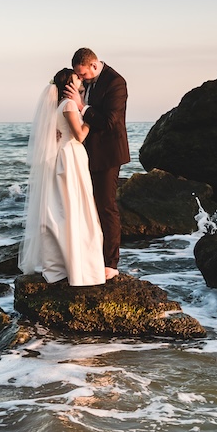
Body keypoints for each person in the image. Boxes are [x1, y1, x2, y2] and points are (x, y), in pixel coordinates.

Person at [19, 68, 106, 286]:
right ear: (69, 84)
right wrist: (89, 117)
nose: (80, 79)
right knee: (75, 207)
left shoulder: (59, 106)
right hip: (71, 156)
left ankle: (60, 264)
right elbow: (80, 134)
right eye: (77, 78)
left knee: (63, 208)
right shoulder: (68, 105)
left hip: (65, 155)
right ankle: (78, 266)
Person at [63, 47, 129, 279]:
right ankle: (90, 256)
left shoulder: (116, 82)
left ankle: (110, 263)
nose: (81, 78)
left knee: (106, 206)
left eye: (84, 74)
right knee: (88, 207)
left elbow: (110, 122)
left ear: (94, 65)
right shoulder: (84, 80)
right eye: (78, 75)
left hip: (108, 153)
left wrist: (82, 107)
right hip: (85, 153)